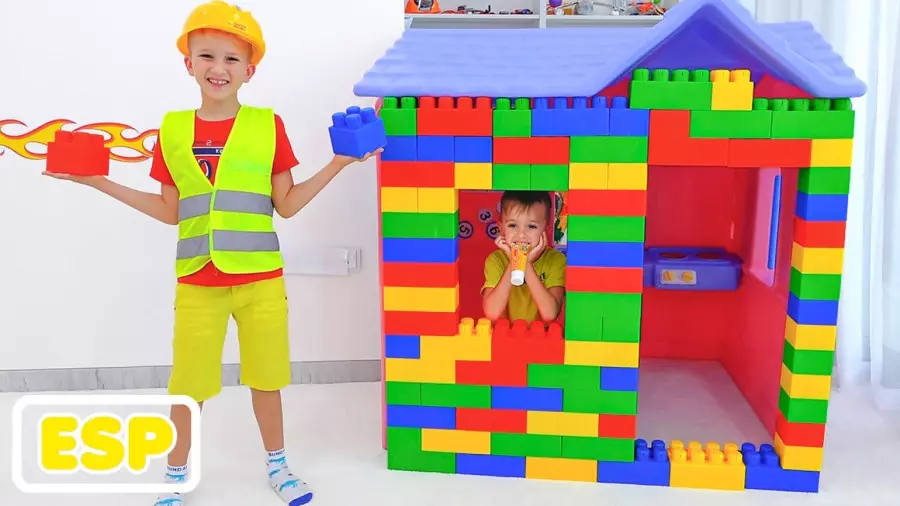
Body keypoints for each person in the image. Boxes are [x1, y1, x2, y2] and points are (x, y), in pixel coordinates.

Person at [42, 2, 379, 504]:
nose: (218, 68)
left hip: (261, 282)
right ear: (189, 63)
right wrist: (97, 182)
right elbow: (169, 211)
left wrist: (340, 163)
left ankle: (278, 466)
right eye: (206, 56)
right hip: (198, 283)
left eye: (231, 58)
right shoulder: (173, 130)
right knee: (188, 384)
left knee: (267, 378)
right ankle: (176, 472)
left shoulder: (267, 126)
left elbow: (286, 205)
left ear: (249, 70)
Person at [482, 191, 566, 323]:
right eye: (512, 225)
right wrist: (514, 263)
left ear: (546, 230)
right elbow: (492, 313)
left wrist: (525, 264)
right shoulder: (495, 260)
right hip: (503, 334)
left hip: (542, 334)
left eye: (532, 226)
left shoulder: (556, 260)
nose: (521, 235)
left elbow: (550, 314)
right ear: (501, 228)